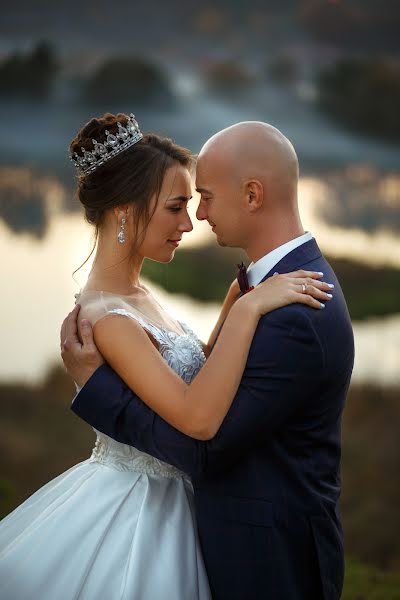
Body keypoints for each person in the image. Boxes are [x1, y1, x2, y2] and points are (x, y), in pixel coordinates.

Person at [0, 113, 332, 600]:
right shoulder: (107, 319)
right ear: (124, 210)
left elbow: (192, 370)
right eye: (176, 207)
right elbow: (196, 417)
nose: (190, 222)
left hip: (182, 503)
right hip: (139, 513)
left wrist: (232, 304)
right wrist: (251, 311)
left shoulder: (139, 296)